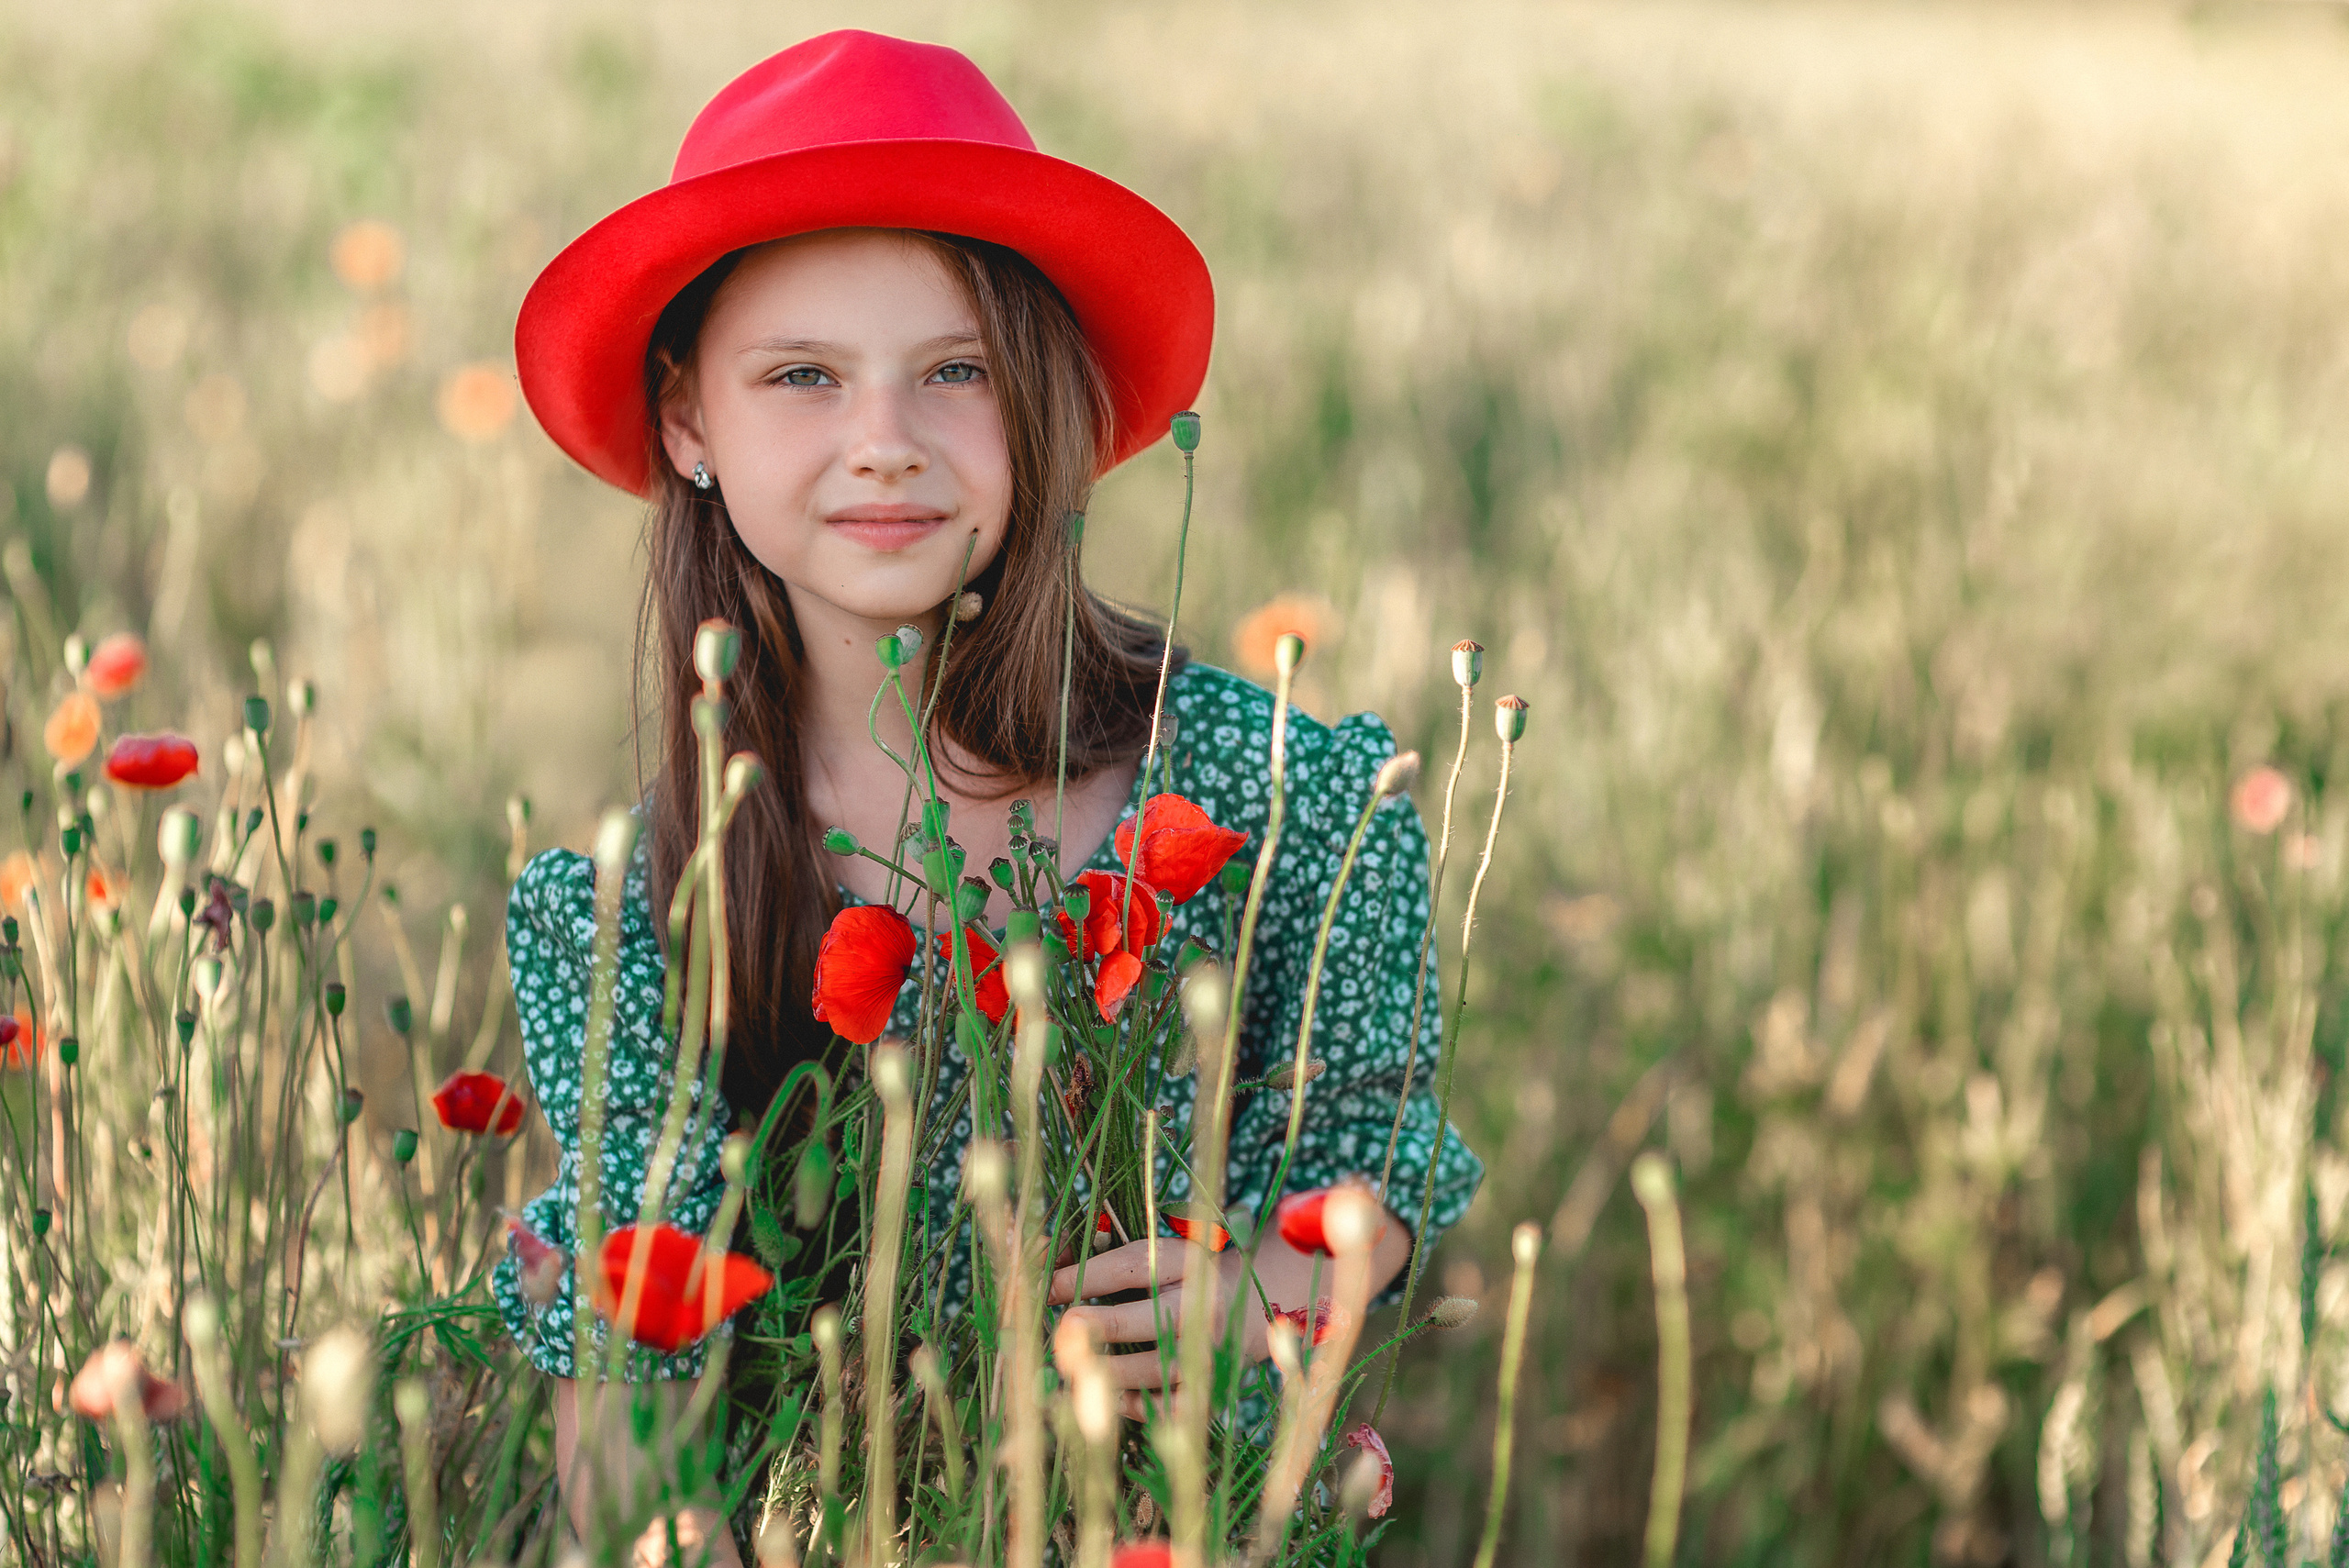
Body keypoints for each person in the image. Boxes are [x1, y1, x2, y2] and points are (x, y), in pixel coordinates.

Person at [492, 28, 1483, 1563]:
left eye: (953, 370)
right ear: (689, 421)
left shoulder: (1287, 807)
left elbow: (1378, 1150)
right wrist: (609, 1330)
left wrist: (1266, 1299)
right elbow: (631, 1490)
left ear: (1042, 403)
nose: (883, 443)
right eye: (802, 376)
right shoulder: (644, 910)